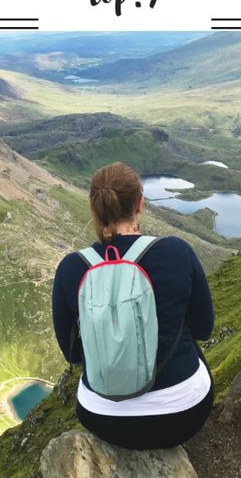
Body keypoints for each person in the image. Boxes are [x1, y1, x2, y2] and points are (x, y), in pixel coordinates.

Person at [52, 161, 215, 450]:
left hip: (102, 417)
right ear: (139, 202)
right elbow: (204, 327)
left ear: (95, 209)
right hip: (182, 416)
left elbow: (73, 353)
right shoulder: (176, 252)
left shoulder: (70, 268)